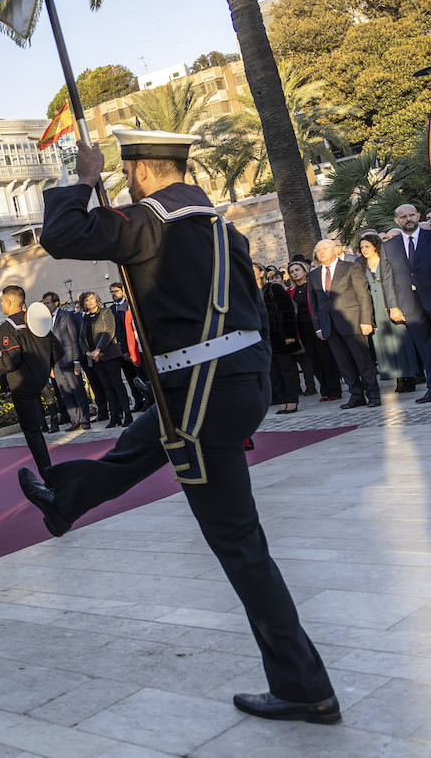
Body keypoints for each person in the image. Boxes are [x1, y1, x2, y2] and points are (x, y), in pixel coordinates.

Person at [19, 131, 339, 723]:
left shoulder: (149, 223)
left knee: (243, 548)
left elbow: (61, 235)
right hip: (233, 385)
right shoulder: (222, 228)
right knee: (140, 441)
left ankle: (303, 685)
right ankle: (66, 499)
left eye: (123, 169)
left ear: (139, 173)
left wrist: (84, 180)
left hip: (199, 394)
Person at [0, 286, 59, 475]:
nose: (2, 304)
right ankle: (50, 472)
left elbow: (10, 361)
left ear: (10, 302)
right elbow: (56, 348)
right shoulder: (35, 320)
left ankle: (48, 476)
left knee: (32, 432)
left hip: (22, 384)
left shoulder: (8, 326)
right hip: (40, 379)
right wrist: (46, 367)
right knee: (38, 428)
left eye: (3, 301)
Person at [311, 239, 380, 409]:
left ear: (335, 249)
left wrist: (366, 320)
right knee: (344, 364)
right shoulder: (313, 274)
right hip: (330, 327)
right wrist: (318, 326)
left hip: (353, 321)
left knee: (363, 361)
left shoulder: (351, 267)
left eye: (325, 249)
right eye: (318, 250)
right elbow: (314, 303)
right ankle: (356, 395)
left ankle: (373, 395)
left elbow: (363, 295)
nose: (321, 253)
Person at [382, 204, 431, 402]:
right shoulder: (388, 246)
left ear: (418, 216)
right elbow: (387, 279)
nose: (408, 219)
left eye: (411, 215)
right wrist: (393, 306)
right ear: (397, 221)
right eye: (403, 217)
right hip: (409, 304)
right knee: (424, 347)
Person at [359, 233, 420, 391]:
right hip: (375, 307)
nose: (364, 250)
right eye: (361, 248)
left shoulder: (386, 260)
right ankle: (398, 377)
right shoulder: (361, 265)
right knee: (385, 345)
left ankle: (410, 376)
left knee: (402, 340)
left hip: (391, 303)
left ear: (375, 245)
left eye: (367, 246)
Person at [288, 260, 341, 400]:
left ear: (305, 270)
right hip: (303, 329)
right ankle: (324, 390)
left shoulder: (313, 286)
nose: (294, 273)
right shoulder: (291, 291)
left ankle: (334, 390)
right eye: (292, 272)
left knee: (326, 358)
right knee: (314, 360)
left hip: (317, 326)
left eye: (297, 270)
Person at [79, 291, 133, 427]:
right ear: (83, 304)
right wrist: (87, 352)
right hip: (94, 358)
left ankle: (127, 414)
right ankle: (115, 416)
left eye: (92, 299)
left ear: (97, 300)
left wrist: (98, 350)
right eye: (87, 300)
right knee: (106, 387)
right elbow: (81, 338)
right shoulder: (85, 318)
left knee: (117, 384)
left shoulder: (106, 312)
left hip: (109, 355)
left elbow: (108, 332)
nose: (90, 301)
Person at [256, 263, 302, 413]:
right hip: (262, 339)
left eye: (254, 270)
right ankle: (282, 400)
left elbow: (287, 310)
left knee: (286, 370)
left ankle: (291, 400)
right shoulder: (249, 292)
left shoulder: (273, 288)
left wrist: (290, 334)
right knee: (273, 372)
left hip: (279, 337)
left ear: (262, 273)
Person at [43, 292, 90, 430]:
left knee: (77, 390)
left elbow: (74, 338)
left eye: (48, 303)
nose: (45, 305)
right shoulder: (46, 320)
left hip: (69, 360)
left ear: (56, 303)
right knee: (65, 393)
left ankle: (85, 420)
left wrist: (77, 361)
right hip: (56, 364)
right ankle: (75, 420)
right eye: (44, 303)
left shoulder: (66, 315)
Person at [107, 283, 146, 412]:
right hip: (120, 350)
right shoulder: (111, 309)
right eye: (111, 292)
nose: (114, 294)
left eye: (116, 291)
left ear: (123, 291)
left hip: (133, 348)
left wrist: (129, 350)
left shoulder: (129, 306)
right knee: (130, 378)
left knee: (140, 376)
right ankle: (138, 402)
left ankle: (148, 400)